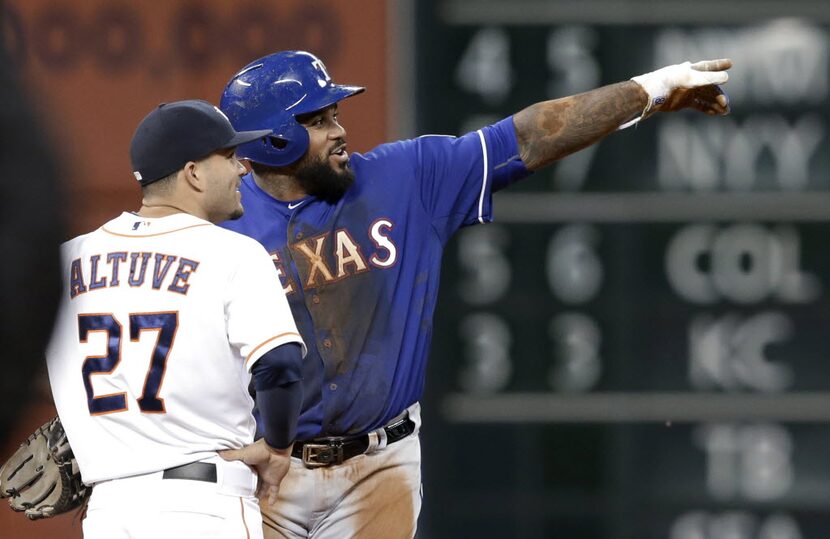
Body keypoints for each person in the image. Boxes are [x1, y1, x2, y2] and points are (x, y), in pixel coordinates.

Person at [217, 50, 732, 538]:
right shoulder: (217, 229)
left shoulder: (407, 178)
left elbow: (530, 136)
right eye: (320, 120)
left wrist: (653, 89)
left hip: (376, 468)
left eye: (335, 115)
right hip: (264, 465)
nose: (340, 131)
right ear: (275, 139)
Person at [44, 99, 307, 538]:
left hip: (110, 513)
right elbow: (279, 364)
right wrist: (278, 447)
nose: (242, 169)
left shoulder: (66, 260)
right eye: (228, 156)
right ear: (193, 173)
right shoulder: (233, 253)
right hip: (202, 507)